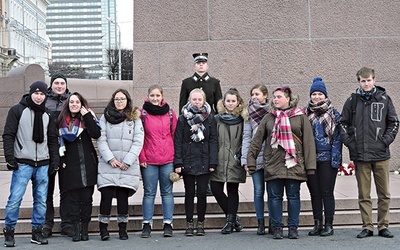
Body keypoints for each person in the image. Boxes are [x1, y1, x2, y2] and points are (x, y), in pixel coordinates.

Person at [247, 86, 316, 240]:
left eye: (278, 97)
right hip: (273, 164)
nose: (275, 99)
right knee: (274, 197)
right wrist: (251, 160)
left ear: (288, 99)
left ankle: (293, 227)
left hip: (294, 163)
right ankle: (277, 227)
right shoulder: (269, 117)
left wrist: (310, 166)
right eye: (274, 97)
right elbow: (257, 141)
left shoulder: (300, 117)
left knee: (293, 197)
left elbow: (308, 142)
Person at [339, 67, 399, 239]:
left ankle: (383, 226)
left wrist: (384, 141)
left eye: (369, 80)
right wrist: (352, 144)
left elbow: (394, 123)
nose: (366, 83)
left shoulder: (385, 99)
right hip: (360, 156)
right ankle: (367, 226)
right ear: (359, 81)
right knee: (364, 194)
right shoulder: (352, 101)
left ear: (374, 80)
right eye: (363, 81)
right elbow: (343, 124)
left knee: (384, 194)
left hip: (381, 155)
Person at [2, 81, 59, 246]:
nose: (39, 97)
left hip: (43, 164)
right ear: (31, 93)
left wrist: (54, 161)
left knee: (41, 200)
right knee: (15, 198)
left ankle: (37, 231)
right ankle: (9, 231)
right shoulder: (17, 110)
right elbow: (8, 135)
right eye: (36, 93)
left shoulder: (48, 114)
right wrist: (10, 159)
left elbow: (53, 140)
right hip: (22, 163)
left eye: (42, 94)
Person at [97, 89, 144, 241]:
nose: (119, 102)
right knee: (106, 197)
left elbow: (138, 141)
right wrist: (110, 159)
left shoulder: (134, 118)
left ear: (127, 100)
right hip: (108, 165)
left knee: (123, 198)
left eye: (122, 99)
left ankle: (122, 229)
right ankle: (103, 229)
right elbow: (101, 139)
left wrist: (127, 161)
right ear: (113, 100)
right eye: (116, 99)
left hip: (126, 166)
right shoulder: (105, 117)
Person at [57, 92, 101, 242]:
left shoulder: (88, 118)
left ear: (82, 104)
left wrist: (87, 116)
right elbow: (58, 143)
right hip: (70, 165)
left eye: (77, 102)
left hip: (88, 164)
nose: (74, 104)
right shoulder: (63, 121)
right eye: (71, 102)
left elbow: (96, 134)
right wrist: (61, 159)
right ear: (68, 104)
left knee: (87, 200)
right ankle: (75, 230)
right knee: (73, 200)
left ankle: (84, 230)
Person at [174, 88, 218, 236]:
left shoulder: (210, 118)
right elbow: (178, 141)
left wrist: (213, 162)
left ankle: (200, 223)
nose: (197, 102)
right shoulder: (182, 118)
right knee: (189, 193)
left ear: (204, 101)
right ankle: (188, 223)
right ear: (189, 100)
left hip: (204, 160)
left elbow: (213, 141)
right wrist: (178, 162)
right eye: (194, 99)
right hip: (188, 160)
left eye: (199, 99)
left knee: (201, 194)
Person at [139, 85, 177, 238]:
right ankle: (147, 224)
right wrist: (141, 157)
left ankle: (168, 223)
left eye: (157, 95)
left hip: (168, 159)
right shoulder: (142, 114)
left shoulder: (170, 113)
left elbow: (176, 136)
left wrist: (176, 159)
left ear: (162, 96)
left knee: (167, 193)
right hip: (149, 160)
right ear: (148, 96)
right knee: (149, 193)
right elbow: (139, 137)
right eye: (152, 95)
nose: (155, 98)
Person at [306, 77, 342, 237]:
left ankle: (329, 224)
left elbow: (338, 138)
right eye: (314, 94)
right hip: (311, 159)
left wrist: (336, 158)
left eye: (320, 94)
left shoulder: (334, 114)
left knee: (327, 192)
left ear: (325, 95)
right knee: (314, 192)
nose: (317, 97)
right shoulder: (306, 113)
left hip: (327, 159)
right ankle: (317, 223)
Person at [210, 88, 247, 234]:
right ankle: (234, 218)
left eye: (233, 101)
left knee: (233, 190)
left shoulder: (243, 120)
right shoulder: (217, 119)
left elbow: (246, 139)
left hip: (234, 160)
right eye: (228, 101)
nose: (230, 104)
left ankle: (230, 222)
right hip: (219, 159)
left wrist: (240, 156)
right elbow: (212, 140)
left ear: (238, 102)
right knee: (216, 189)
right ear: (223, 102)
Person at [42, 72, 73, 238]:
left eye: (62, 83)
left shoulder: (72, 101)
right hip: (47, 150)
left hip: (66, 150)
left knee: (66, 189)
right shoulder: (43, 100)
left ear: (66, 85)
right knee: (47, 189)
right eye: (57, 83)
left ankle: (66, 223)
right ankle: (47, 223)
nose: (59, 86)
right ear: (51, 85)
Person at [241, 84, 270, 235]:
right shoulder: (248, 114)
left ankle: (273, 221)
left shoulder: (273, 112)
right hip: (255, 157)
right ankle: (260, 223)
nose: (254, 97)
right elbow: (246, 137)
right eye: (252, 94)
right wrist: (246, 159)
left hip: (272, 158)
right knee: (258, 191)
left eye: (257, 94)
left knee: (272, 193)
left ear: (265, 95)